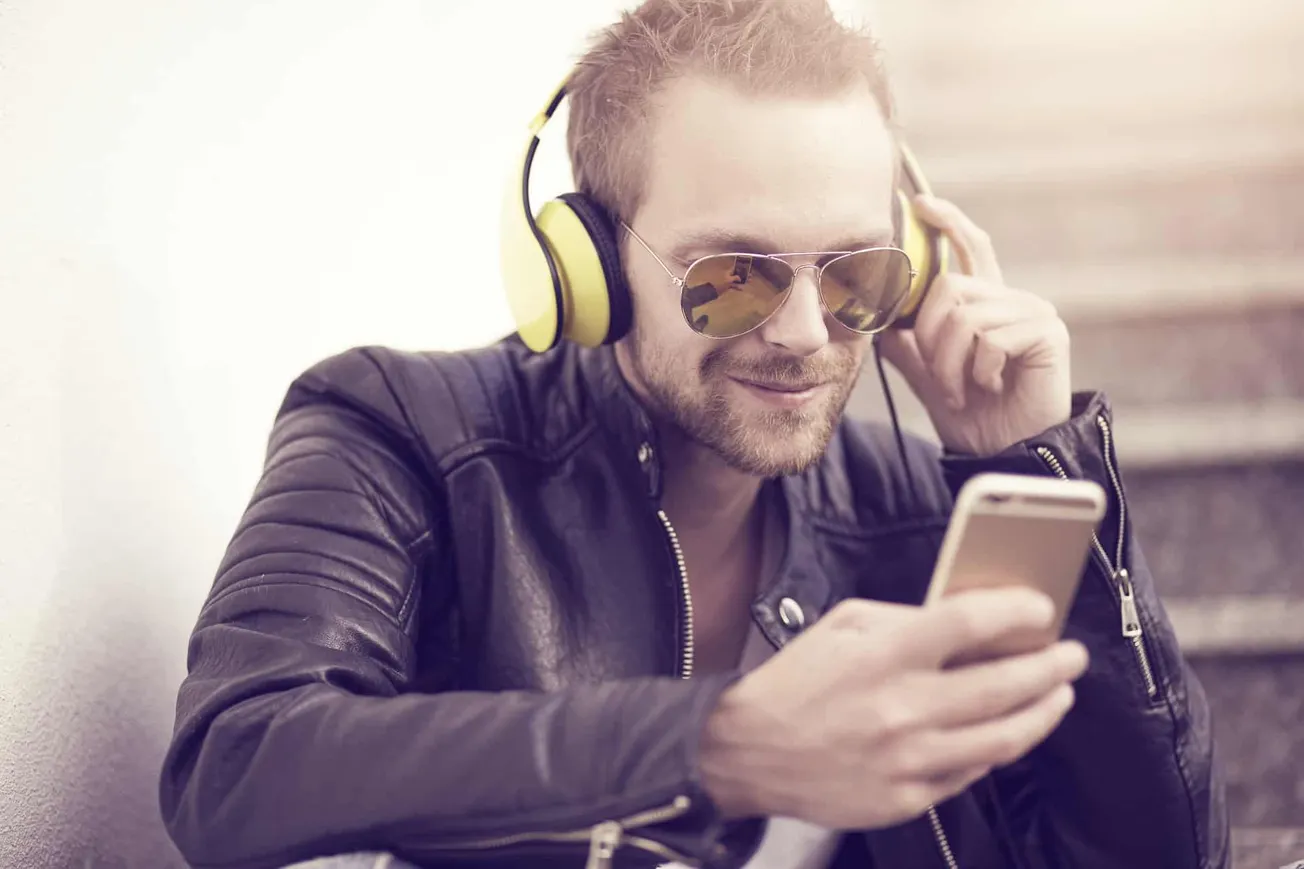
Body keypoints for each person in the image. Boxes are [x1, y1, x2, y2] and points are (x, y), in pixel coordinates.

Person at [159, 1, 1227, 867]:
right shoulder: (401, 430)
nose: (807, 335)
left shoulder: (918, 499)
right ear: (583, 266)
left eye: (855, 271)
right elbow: (236, 767)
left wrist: (1028, 460)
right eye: (730, 278)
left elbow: (1155, 854)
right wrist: (717, 745)